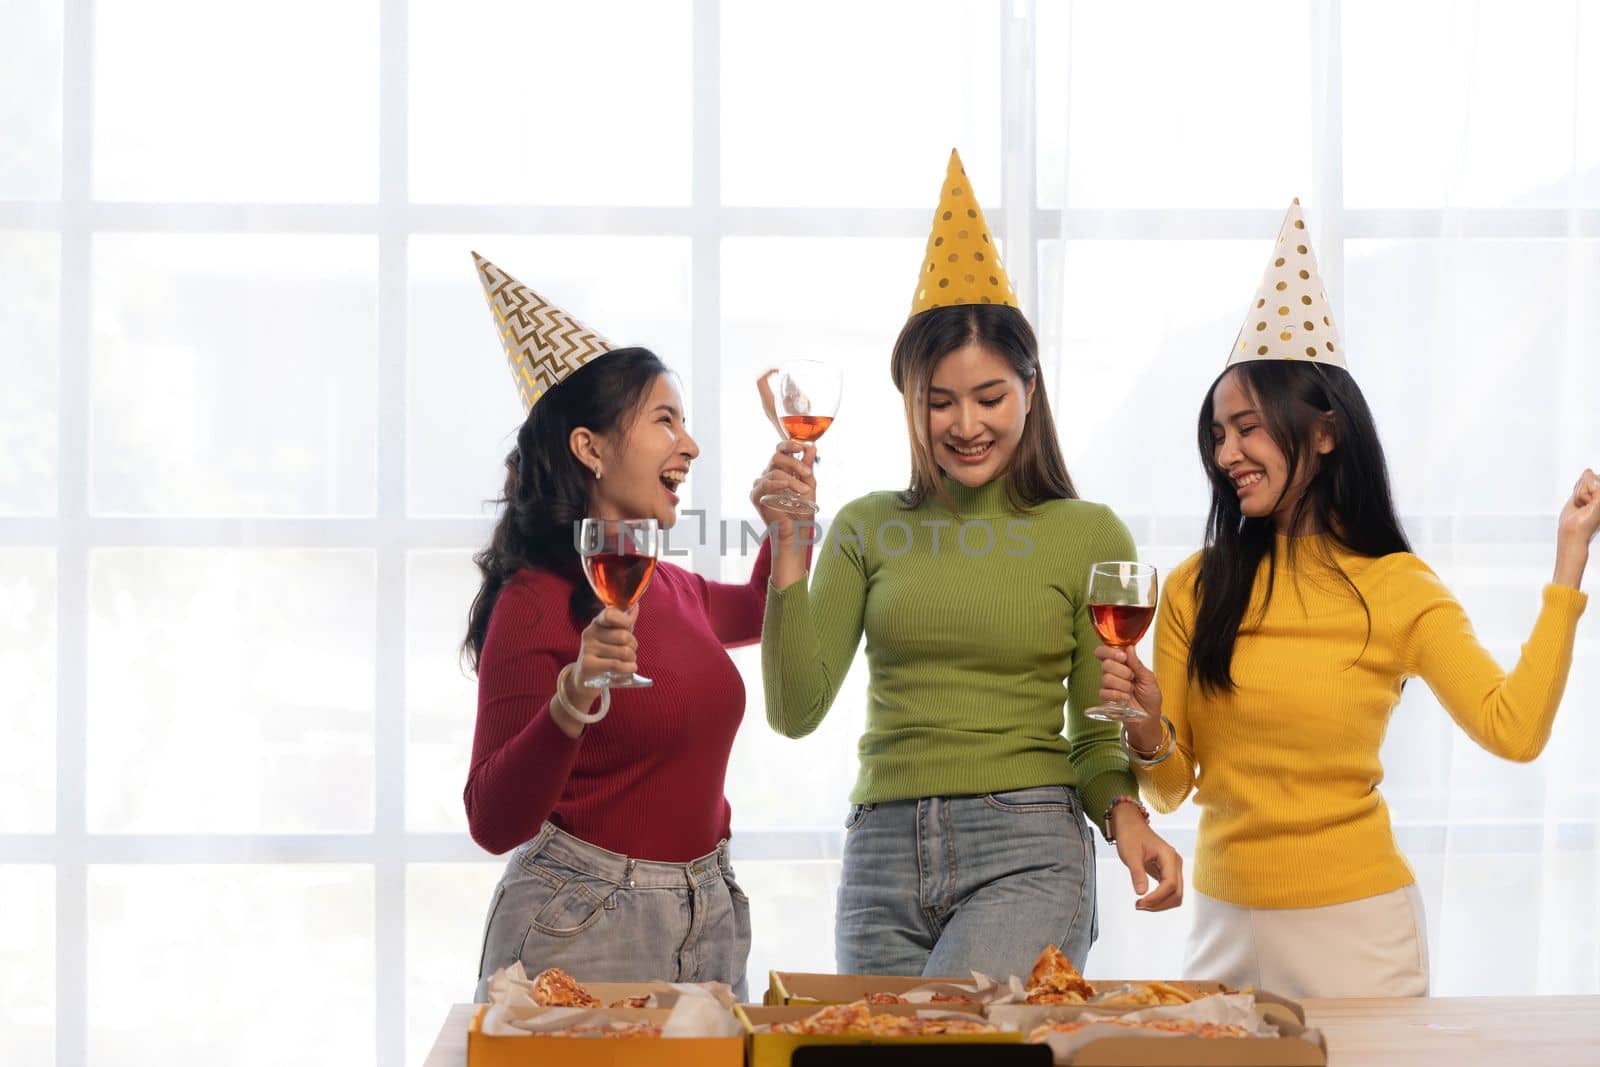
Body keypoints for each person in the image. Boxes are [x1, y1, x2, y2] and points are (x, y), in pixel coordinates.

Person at [1095, 202, 1600, 997]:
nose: (1227, 453)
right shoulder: (1199, 582)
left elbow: (1516, 728)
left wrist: (1569, 561)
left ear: (1324, 432)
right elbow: (1171, 785)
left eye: (1248, 429)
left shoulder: (1396, 586)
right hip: (1223, 927)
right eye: (1217, 435)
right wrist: (1150, 726)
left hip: (1359, 934)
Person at [760, 152, 1184, 982]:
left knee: (955, 1045)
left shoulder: (1085, 532)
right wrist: (788, 548)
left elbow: (1095, 723)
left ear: (1030, 389)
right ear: (911, 402)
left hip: (1026, 843)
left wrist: (1126, 815)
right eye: (938, 400)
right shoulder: (865, 525)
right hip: (880, 852)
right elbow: (794, 708)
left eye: (989, 397)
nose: (964, 424)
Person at [462, 254, 816, 1001]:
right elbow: (493, 819)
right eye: (665, 420)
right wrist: (570, 698)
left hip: (707, 916)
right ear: (590, 447)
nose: (688, 445)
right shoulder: (534, 601)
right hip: (583, 928)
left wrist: (786, 525)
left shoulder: (668, 585)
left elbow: (759, 610)